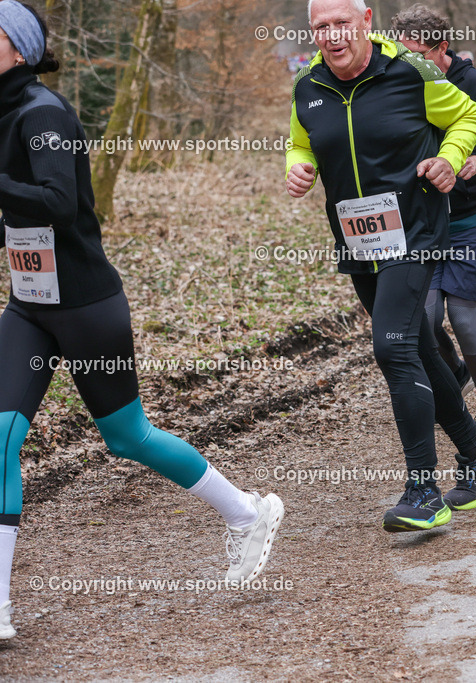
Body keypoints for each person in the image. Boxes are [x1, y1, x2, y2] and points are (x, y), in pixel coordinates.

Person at [0, 0, 283, 638]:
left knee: (127, 438)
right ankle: (0, 606)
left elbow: (60, 205)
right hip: (28, 305)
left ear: (18, 48)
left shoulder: (44, 112)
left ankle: (244, 512)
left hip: (87, 307)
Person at [287, 0, 476, 532]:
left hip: (414, 230)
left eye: (341, 23)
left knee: (391, 346)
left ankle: (423, 490)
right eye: (320, 27)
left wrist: (451, 160)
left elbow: (467, 116)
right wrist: (299, 166)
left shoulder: (411, 70)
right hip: (359, 236)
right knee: (420, 347)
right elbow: (301, 140)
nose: (331, 35)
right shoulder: (307, 87)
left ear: (365, 20)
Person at [391, 4, 476, 435]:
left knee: (465, 320)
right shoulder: (395, 85)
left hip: (470, 220)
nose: (408, 65)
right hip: (421, 225)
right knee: (424, 323)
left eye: (418, 56)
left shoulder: (471, 84)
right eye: (401, 55)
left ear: (442, 47)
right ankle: (456, 375)